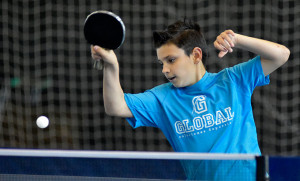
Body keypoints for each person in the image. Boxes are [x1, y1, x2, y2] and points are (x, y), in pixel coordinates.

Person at [91, 20, 290, 180]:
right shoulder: (163, 99)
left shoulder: (233, 80)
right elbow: (116, 106)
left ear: (196, 55)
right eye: (161, 63)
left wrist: (236, 39)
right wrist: (111, 66)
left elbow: (281, 55)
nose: (164, 69)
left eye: (171, 60)